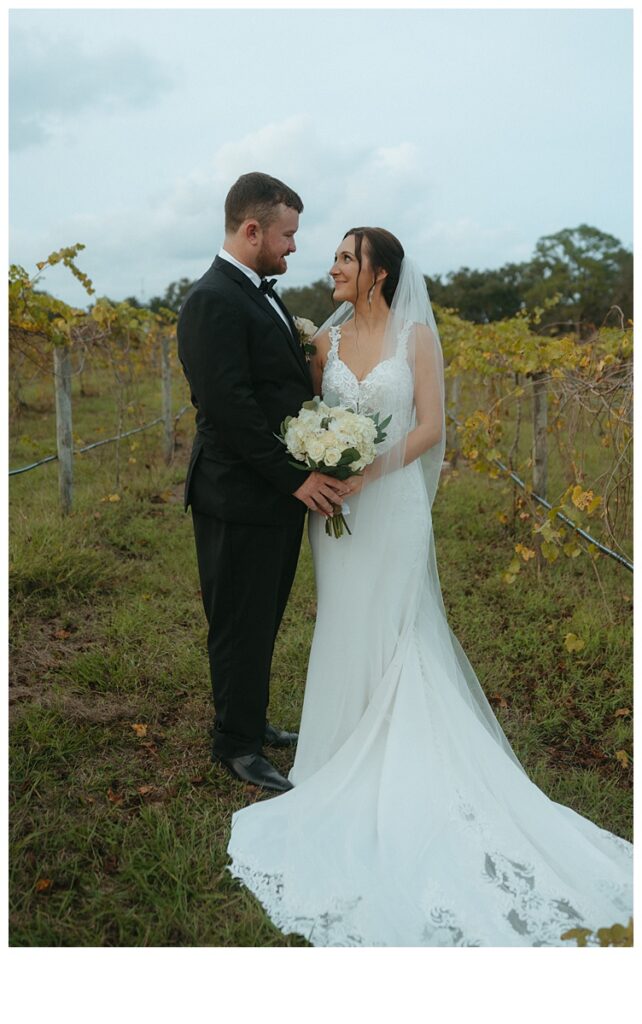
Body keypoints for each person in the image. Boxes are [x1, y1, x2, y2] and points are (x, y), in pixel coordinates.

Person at [226, 226, 633, 946]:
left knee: (399, 625)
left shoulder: (417, 338)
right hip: (339, 515)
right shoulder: (325, 342)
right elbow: (310, 417)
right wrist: (321, 458)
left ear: (378, 272)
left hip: (393, 502)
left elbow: (431, 427)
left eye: (346, 259)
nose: (333, 268)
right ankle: (340, 748)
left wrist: (368, 467)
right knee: (345, 621)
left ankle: (408, 762)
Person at [177, 172, 348, 794]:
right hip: (237, 494)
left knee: (263, 615)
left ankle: (248, 719)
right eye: (288, 234)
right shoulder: (212, 299)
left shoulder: (260, 292)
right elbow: (229, 408)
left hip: (271, 495)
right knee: (238, 621)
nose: (294, 247)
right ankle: (236, 744)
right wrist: (294, 477)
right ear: (252, 231)